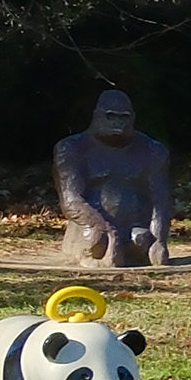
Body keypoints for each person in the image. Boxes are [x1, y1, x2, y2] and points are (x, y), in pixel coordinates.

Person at [54, 90, 174, 266]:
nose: (118, 122)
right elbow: (71, 200)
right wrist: (108, 230)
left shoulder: (152, 150)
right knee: (96, 241)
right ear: (97, 116)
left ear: (133, 118)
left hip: (134, 225)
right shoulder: (72, 148)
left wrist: (160, 241)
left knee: (141, 241)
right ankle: (94, 249)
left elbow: (160, 201)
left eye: (124, 117)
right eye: (110, 116)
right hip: (92, 226)